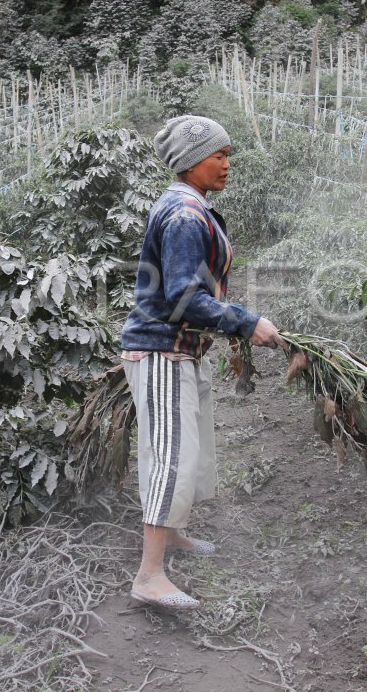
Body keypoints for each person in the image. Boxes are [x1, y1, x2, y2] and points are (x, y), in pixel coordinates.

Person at [120, 114, 282, 610]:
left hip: (181, 350)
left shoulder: (189, 205)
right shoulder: (187, 215)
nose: (227, 164)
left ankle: (173, 536)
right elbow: (182, 298)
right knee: (170, 456)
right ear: (191, 162)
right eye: (219, 155)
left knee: (187, 449)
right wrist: (244, 322)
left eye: (227, 154)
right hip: (163, 350)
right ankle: (149, 576)